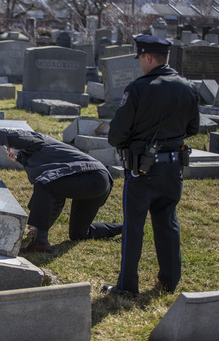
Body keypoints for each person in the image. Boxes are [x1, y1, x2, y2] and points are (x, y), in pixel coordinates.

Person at [102, 35, 200, 297]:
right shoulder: (187, 87)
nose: (140, 65)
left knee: (134, 227)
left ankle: (126, 286)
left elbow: (116, 136)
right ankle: (169, 281)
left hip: (141, 169)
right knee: (167, 222)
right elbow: (193, 127)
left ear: (148, 58)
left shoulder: (138, 88)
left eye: (141, 60)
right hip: (173, 168)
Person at [0, 128, 123, 253]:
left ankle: (41, 244)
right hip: (97, 180)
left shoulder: (35, 139)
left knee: (44, 184)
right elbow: (56, 197)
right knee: (79, 233)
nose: (8, 152)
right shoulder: (33, 160)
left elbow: (5, 135)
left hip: (92, 176)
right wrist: (41, 225)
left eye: (9, 149)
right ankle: (125, 228)